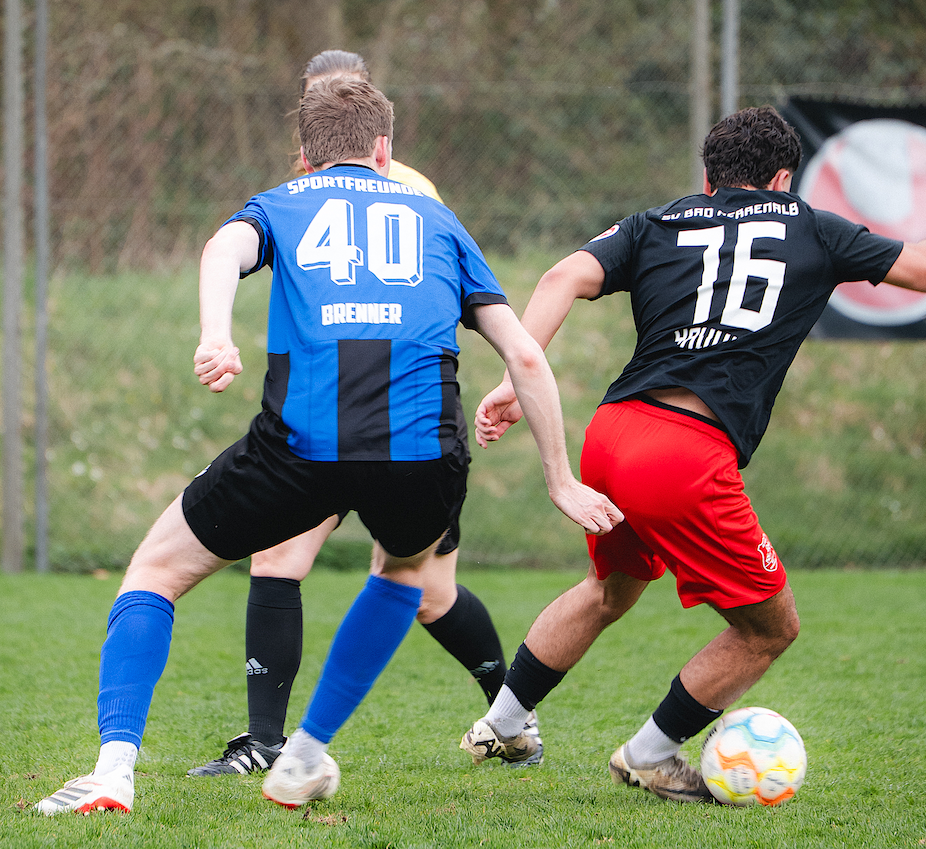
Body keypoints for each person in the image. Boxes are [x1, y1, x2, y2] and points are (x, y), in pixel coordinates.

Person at [36, 77, 622, 815]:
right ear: (383, 148)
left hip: (300, 447)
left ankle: (113, 770)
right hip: (424, 452)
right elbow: (525, 356)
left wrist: (215, 334)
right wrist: (560, 478)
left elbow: (222, 249)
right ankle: (304, 755)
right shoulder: (438, 219)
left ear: (305, 155)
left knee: (154, 570)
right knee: (403, 573)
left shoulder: (281, 204)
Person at [459, 106, 926, 801]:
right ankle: (649, 755)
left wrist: (513, 381)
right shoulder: (812, 226)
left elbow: (560, 277)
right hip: (685, 455)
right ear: (784, 179)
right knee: (769, 628)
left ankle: (502, 722)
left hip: (613, 434)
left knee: (610, 587)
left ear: (708, 178)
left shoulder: (657, 222)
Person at [188, 48, 539, 778]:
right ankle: (265, 741)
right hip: (325, 414)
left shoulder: (407, 192)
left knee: (431, 594)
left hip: (398, 416)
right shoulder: (298, 190)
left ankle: (510, 713)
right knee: (278, 558)